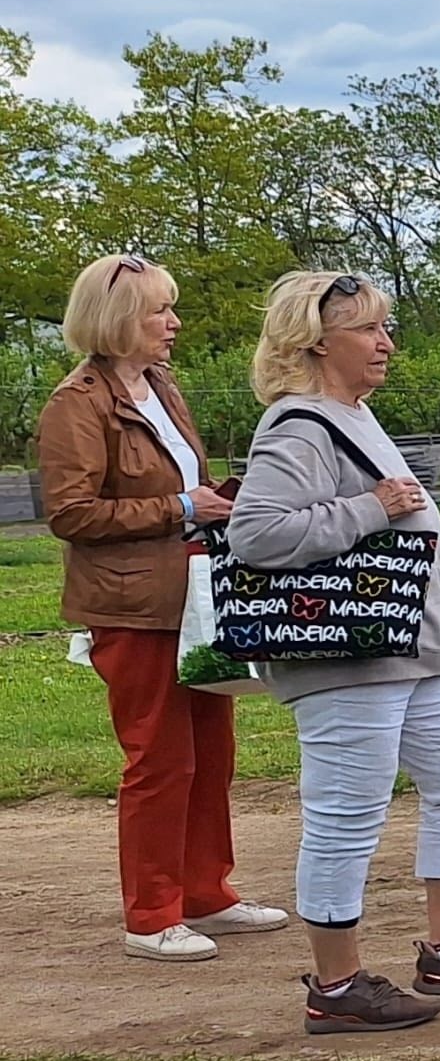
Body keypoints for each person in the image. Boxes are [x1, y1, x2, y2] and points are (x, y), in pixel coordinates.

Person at [230, 271, 440, 1033]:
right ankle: (336, 988)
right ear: (314, 342)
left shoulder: (351, 414)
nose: (386, 343)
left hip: (406, 651)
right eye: (368, 329)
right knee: (346, 813)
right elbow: (256, 533)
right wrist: (369, 508)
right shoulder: (299, 426)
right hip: (348, 657)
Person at [36, 255, 286, 962]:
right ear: (118, 320)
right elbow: (71, 512)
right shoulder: (76, 404)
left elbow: (188, 480)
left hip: (193, 598)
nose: (172, 323)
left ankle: (207, 891)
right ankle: (150, 914)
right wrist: (180, 506)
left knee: (212, 751)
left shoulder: (162, 388)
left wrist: (220, 495)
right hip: (131, 607)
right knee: (159, 757)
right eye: (158, 311)